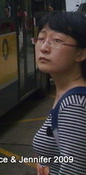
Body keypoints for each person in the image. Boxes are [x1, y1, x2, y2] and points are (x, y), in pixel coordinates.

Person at [32, 11, 86, 175]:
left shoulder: (75, 105)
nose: (44, 48)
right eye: (41, 39)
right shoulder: (67, 95)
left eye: (56, 41)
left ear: (81, 53)